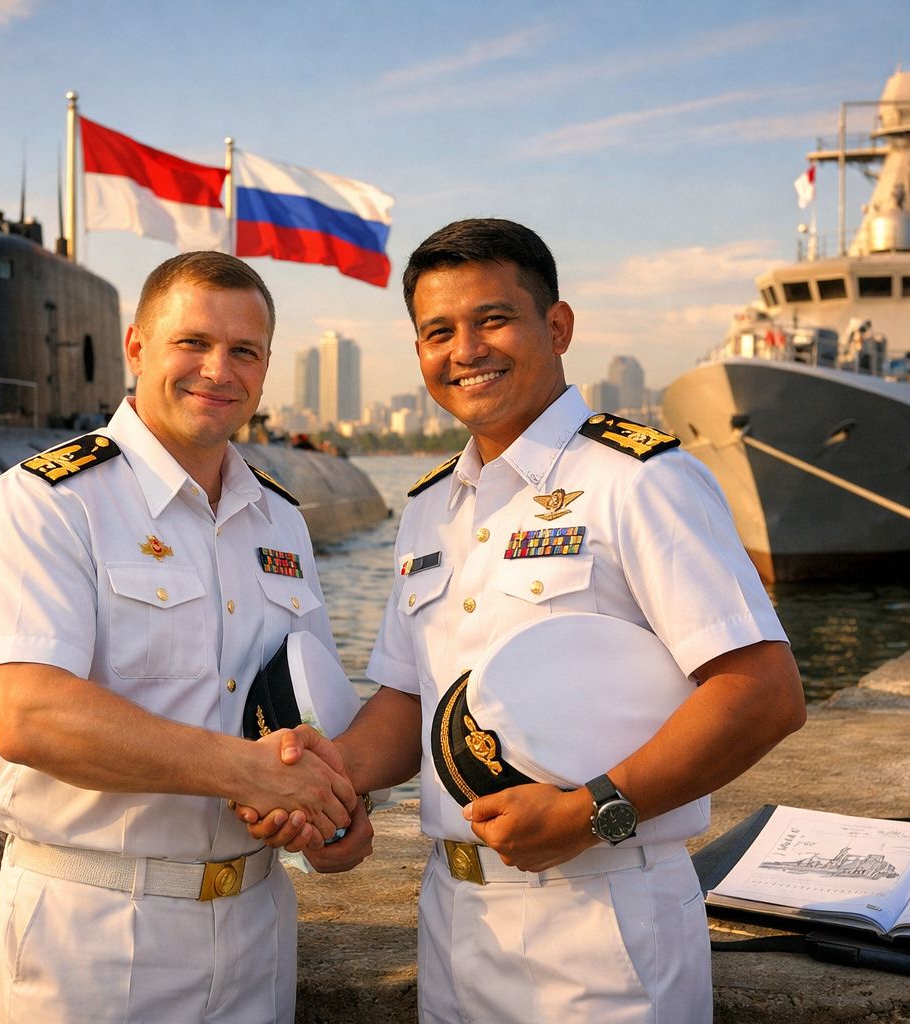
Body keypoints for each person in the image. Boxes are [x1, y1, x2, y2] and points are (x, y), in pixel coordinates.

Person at [252, 218, 806, 1022]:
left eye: (493, 319)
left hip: (602, 914)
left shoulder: (637, 480)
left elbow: (764, 692)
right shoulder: (432, 507)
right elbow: (412, 703)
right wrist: (325, 782)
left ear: (558, 326)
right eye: (438, 332)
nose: (466, 350)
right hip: (454, 920)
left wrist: (590, 812)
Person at [0, 251, 365, 1024]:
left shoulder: (280, 520)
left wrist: (334, 815)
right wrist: (249, 775)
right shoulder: (48, 501)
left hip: (258, 926)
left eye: (244, 351)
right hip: (97, 932)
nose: (218, 370)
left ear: (265, 368)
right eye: (193, 343)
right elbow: (29, 716)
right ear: (137, 347)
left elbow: (308, 702)